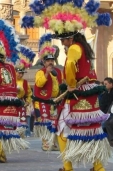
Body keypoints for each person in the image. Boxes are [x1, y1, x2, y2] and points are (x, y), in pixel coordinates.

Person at [22, 1, 112, 170]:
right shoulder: (85, 49)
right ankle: (99, 166)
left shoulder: (74, 48)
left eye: (63, 40)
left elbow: (70, 65)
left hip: (77, 95)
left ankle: (68, 167)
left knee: (61, 129)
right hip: (91, 97)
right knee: (92, 130)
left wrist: (70, 84)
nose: (62, 44)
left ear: (70, 38)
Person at [0, 19, 29, 163]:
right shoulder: (11, 68)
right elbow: (15, 86)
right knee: (6, 128)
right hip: (12, 102)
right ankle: (1, 152)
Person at [32, 33, 62, 151]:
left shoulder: (59, 72)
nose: (50, 62)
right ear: (44, 62)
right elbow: (39, 84)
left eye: (52, 60)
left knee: (55, 122)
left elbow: (61, 85)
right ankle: (46, 143)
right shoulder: (40, 72)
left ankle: (54, 143)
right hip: (43, 101)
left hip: (54, 101)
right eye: (48, 61)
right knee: (45, 123)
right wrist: (46, 73)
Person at [13, 44, 35, 138]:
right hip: (12, 103)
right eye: (19, 73)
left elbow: (30, 94)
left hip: (22, 103)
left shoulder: (25, 83)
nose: (21, 75)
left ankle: (21, 137)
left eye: (22, 73)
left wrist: (28, 102)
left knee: (22, 121)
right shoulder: (11, 81)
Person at [100, 77, 113, 146]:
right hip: (104, 113)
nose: (104, 86)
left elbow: (110, 106)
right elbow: (102, 104)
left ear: (111, 84)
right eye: (104, 84)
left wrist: (106, 113)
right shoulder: (104, 93)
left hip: (109, 113)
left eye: (106, 84)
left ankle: (108, 140)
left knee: (103, 124)